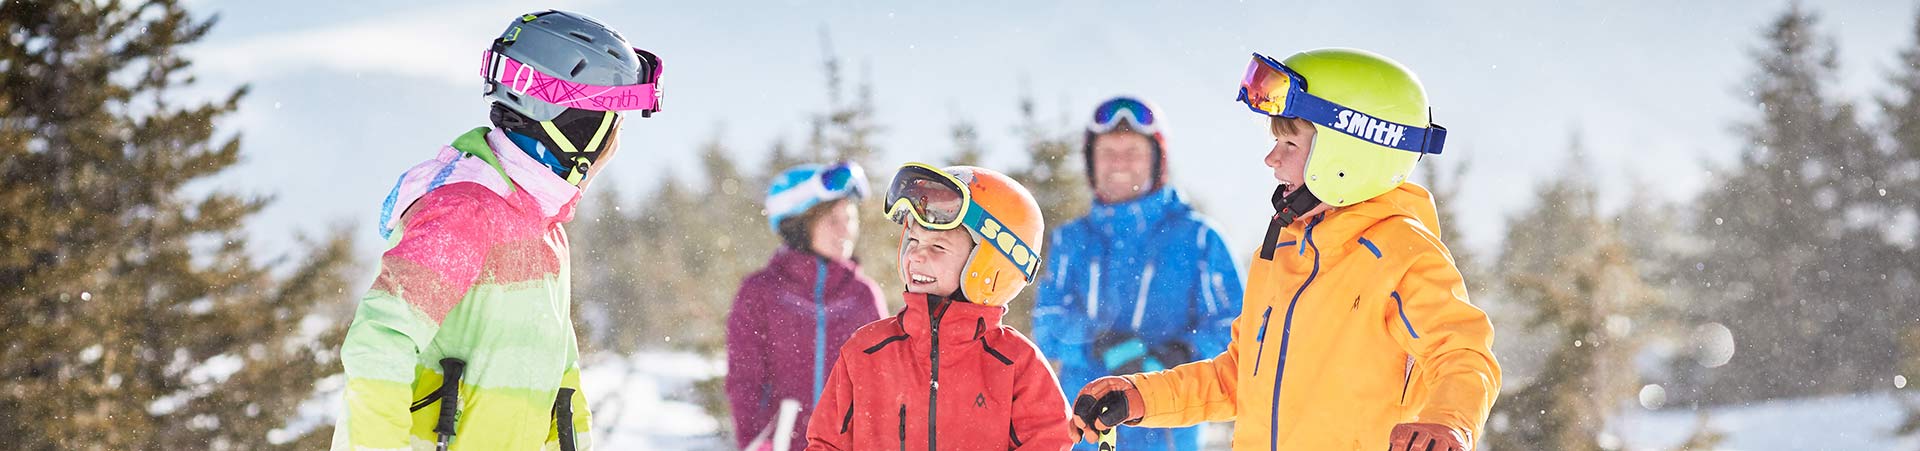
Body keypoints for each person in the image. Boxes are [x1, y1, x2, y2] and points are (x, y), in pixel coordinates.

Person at [1068, 48, 1501, 451]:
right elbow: (1238, 378)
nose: (1271, 159)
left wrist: (1448, 422)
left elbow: (1463, 354)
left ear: (1348, 156)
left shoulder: (1400, 255)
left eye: (1290, 144)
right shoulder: (1280, 252)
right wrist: (1139, 396)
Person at [332, 10, 663, 451]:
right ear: (573, 123)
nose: (614, 144)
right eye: (611, 122)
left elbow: (560, 378)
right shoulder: (465, 211)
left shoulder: (543, 229)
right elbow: (379, 343)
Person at [804, 164, 1073, 451]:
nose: (917, 256)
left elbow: (1048, 441)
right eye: (914, 240)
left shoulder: (1015, 362)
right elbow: (826, 443)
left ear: (990, 263)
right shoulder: (866, 351)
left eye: (938, 247)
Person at [1031, 96, 1242, 451]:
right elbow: (1047, 326)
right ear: (1091, 162)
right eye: (1108, 153)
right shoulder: (1072, 239)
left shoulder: (1200, 238)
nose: (1119, 164)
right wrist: (1098, 341)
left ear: (1157, 160)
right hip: (1084, 431)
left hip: (1169, 431)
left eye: (1133, 152)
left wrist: (1179, 353)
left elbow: (1237, 330)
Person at [727, 161, 888, 451]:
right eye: (832, 221)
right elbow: (745, 380)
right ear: (799, 226)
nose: (846, 231)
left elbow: (882, 385)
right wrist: (756, 441)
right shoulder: (760, 292)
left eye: (849, 218)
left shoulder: (864, 295)